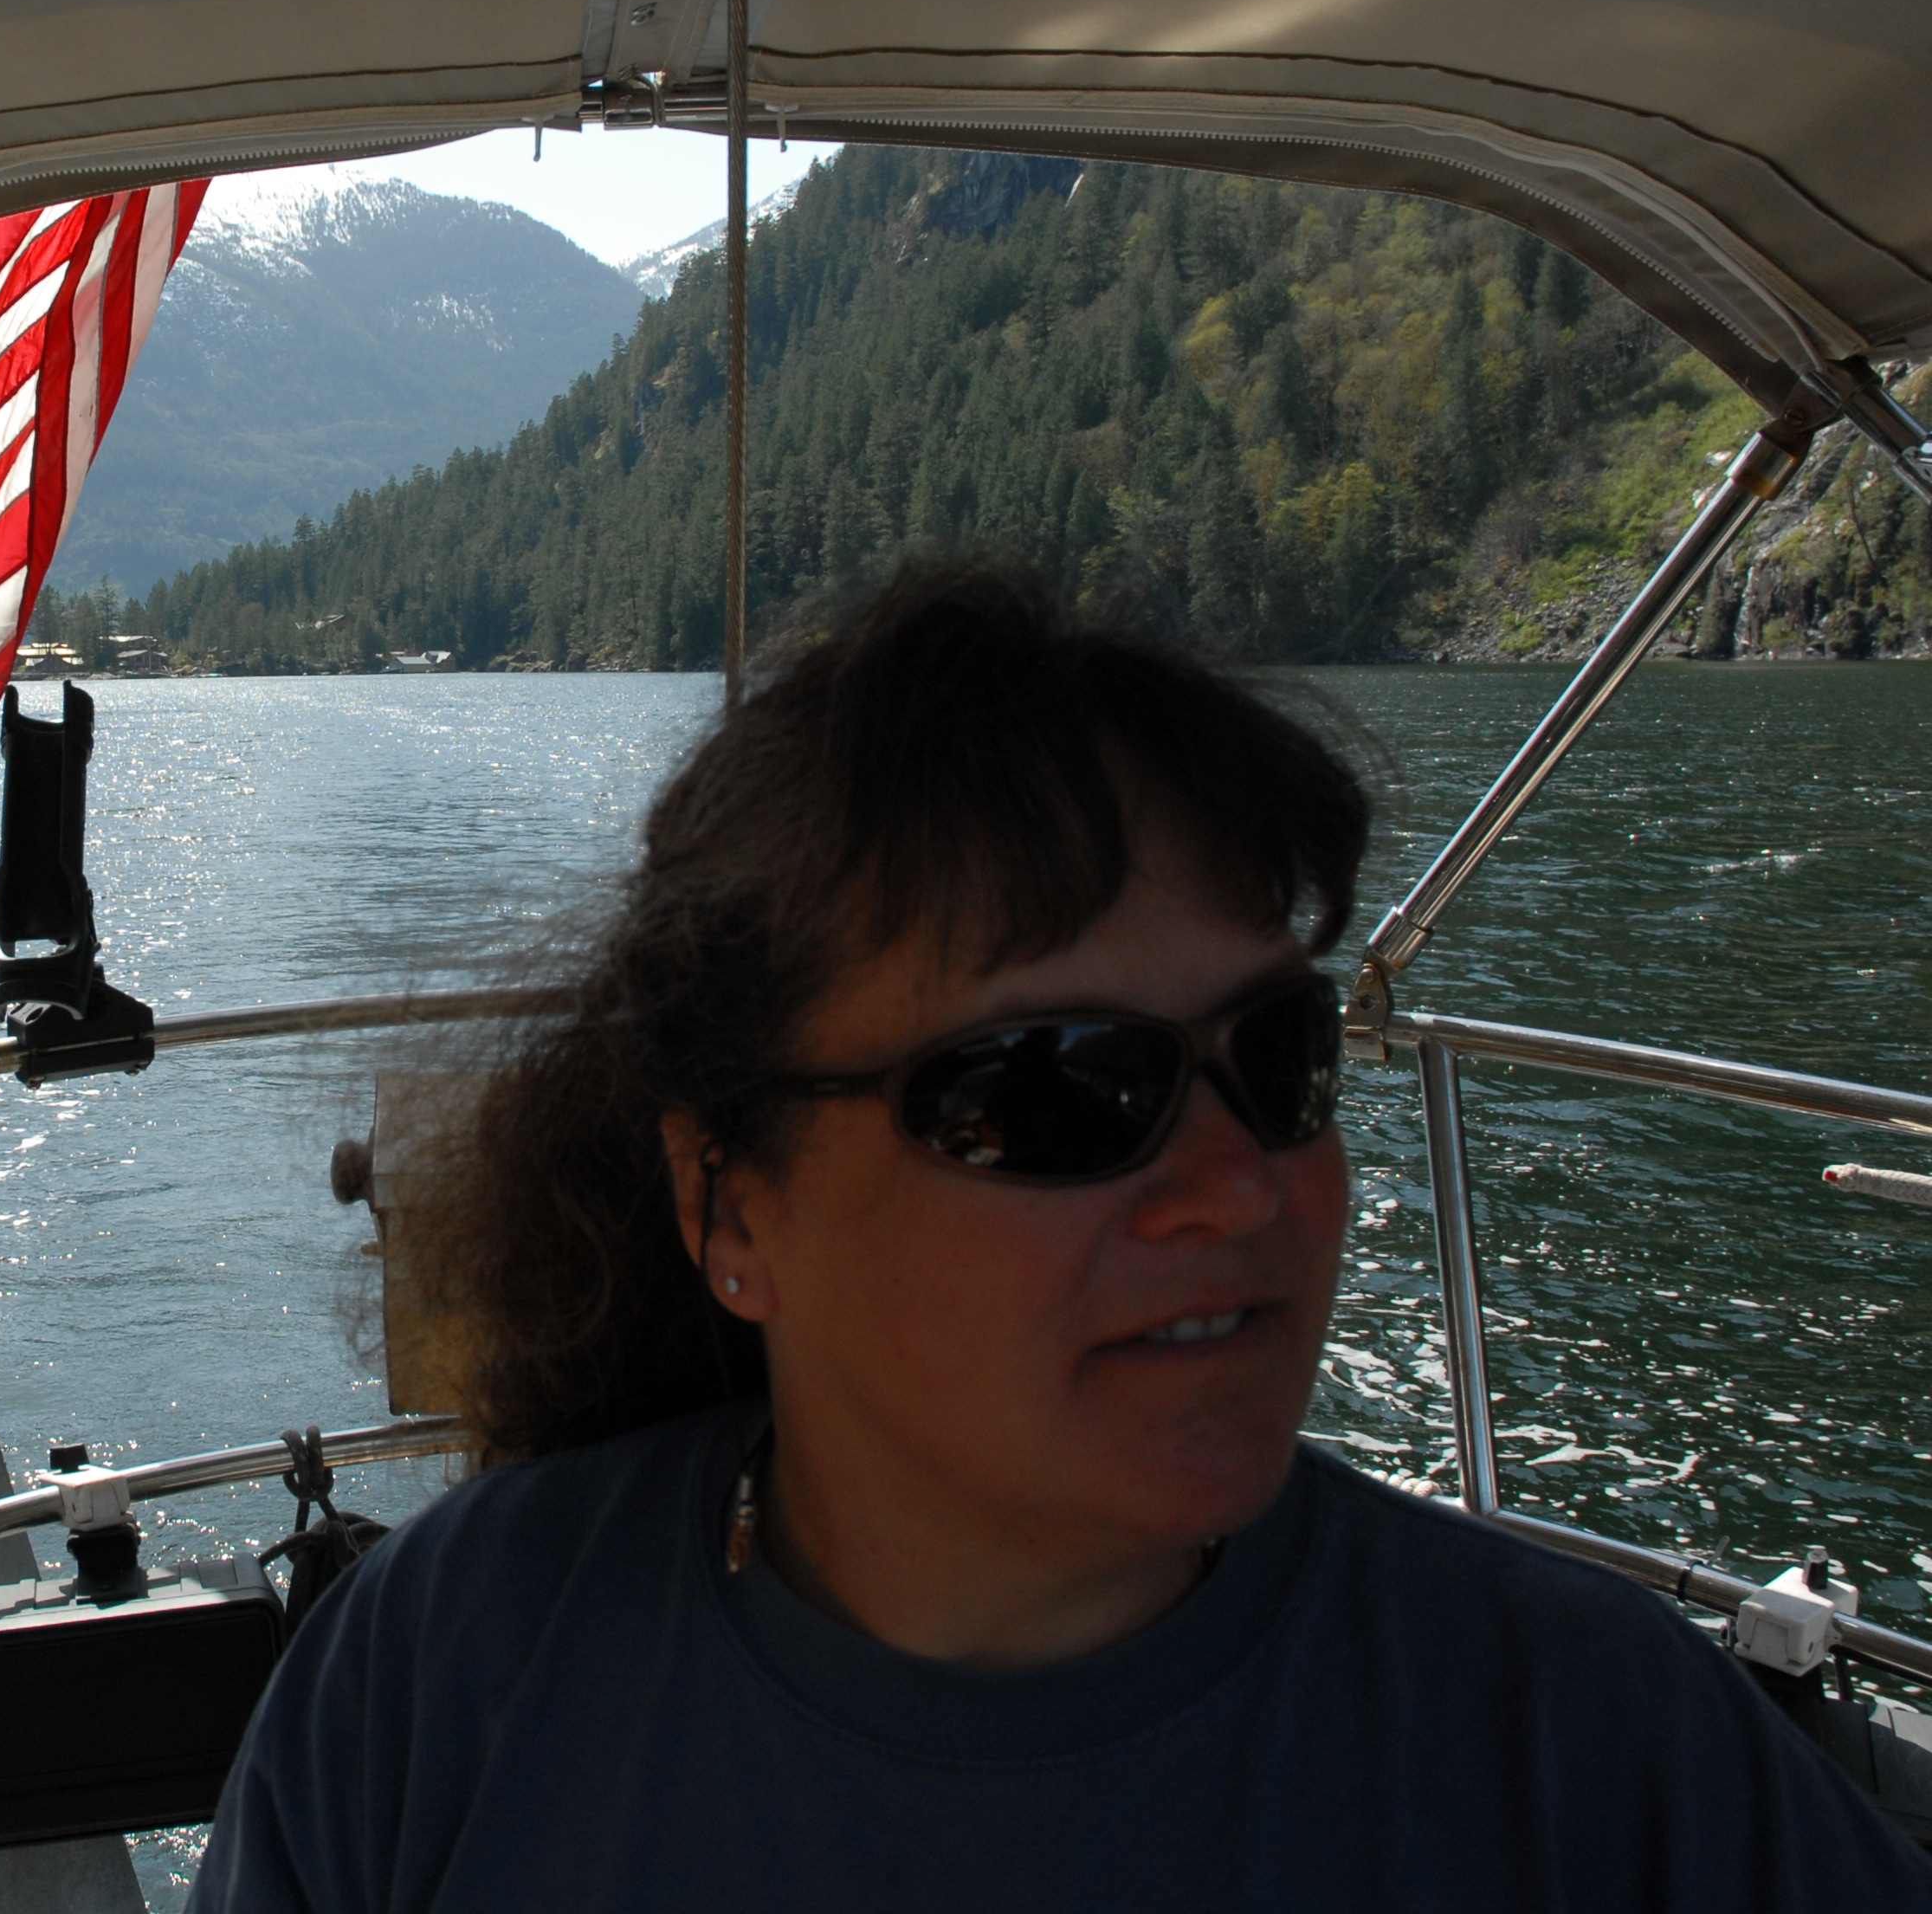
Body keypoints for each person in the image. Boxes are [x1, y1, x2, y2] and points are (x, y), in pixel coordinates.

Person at [193, 564, 1932, 1911]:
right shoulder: (438, 1683)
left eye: (1278, 1059)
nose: (1237, 1185)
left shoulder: (1596, 1758)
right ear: (729, 1202)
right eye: (1050, 1091)